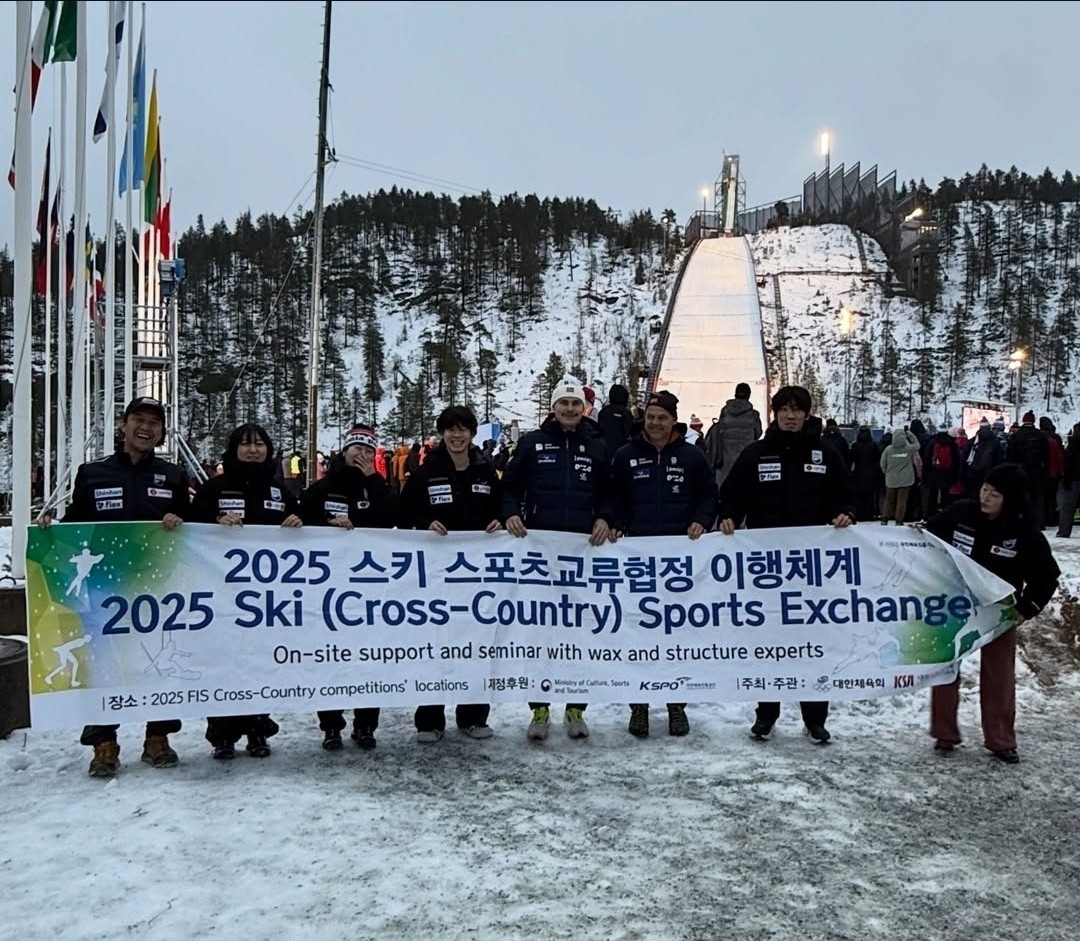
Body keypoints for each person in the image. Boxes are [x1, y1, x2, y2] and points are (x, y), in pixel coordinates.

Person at [40, 396, 190, 778]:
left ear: (162, 432)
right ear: (123, 426)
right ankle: (103, 741)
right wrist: (49, 531)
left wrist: (180, 518)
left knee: (157, 657)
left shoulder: (173, 475)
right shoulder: (93, 473)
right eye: (138, 420)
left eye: (154, 423)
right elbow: (76, 524)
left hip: (156, 588)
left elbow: (194, 527)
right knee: (102, 661)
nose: (146, 428)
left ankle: (158, 736)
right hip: (104, 589)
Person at [716, 385, 855, 745]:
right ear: (774, 413)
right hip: (768, 571)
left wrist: (846, 513)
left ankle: (815, 717)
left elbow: (846, 494)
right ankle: (767, 713)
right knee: (771, 642)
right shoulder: (756, 454)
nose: (791, 416)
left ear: (807, 414)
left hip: (813, 569)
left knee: (812, 643)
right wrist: (729, 516)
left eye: (797, 410)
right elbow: (731, 495)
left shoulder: (826, 453)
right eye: (784, 410)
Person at [922, 463, 1060, 763]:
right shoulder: (961, 513)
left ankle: (1000, 740)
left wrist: (1026, 608)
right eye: (985, 489)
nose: (986, 497)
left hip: (999, 610)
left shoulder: (1024, 530)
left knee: (999, 676)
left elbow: (1046, 577)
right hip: (955, 605)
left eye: (994, 494)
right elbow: (926, 537)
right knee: (945, 667)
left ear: (1008, 498)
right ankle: (944, 733)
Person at [502, 374, 614, 740]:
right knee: (541, 632)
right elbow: (509, 487)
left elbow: (609, 493)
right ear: (553, 408)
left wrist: (605, 517)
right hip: (539, 551)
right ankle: (539, 709)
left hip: (583, 553)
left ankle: (576, 708)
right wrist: (511, 513)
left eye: (575, 404)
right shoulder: (534, 443)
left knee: (580, 632)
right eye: (563, 403)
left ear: (584, 409)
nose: (569, 409)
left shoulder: (597, 445)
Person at [189, 423, 302, 760]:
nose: (253, 450)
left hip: (266, 600)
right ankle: (222, 733)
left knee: (258, 662)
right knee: (223, 661)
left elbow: (302, 521)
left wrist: (297, 519)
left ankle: (257, 727)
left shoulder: (279, 490)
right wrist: (214, 521)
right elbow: (192, 525)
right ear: (234, 449)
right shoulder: (215, 487)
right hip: (222, 595)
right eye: (245, 444)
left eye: (259, 444)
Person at [610, 390, 716, 738]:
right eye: (651, 417)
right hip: (636, 558)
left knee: (677, 634)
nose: (656, 423)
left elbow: (709, 495)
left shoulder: (691, 456)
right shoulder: (626, 456)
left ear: (674, 420)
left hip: (679, 558)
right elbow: (614, 498)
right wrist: (613, 520)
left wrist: (702, 519)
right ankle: (638, 705)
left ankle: (676, 704)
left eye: (662, 417)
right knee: (637, 634)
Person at [400, 405, 503, 742]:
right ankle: (429, 719)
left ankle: (472, 716)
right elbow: (406, 513)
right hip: (436, 574)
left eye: (463, 429)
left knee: (476, 644)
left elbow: (501, 508)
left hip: (477, 575)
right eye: (451, 429)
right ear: (442, 433)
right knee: (435, 644)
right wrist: (424, 522)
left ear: (472, 433)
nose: (457, 436)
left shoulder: (486, 471)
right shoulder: (425, 472)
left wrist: (498, 522)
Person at [299, 423, 398, 750]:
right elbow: (300, 525)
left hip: (370, 588)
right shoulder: (323, 487)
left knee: (370, 657)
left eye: (368, 450)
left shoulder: (378, 486)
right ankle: (330, 725)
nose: (361, 455)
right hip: (329, 590)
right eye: (356, 448)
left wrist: (374, 480)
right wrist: (327, 526)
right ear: (344, 451)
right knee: (331, 658)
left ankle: (366, 724)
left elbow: (394, 518)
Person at [705, 382, 763, 490]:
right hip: (746, 456)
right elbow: (758, 433)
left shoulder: (725, 411)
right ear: (748, 395)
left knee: (723, 488)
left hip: (724, 458)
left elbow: (719, 430)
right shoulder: (753, 414)